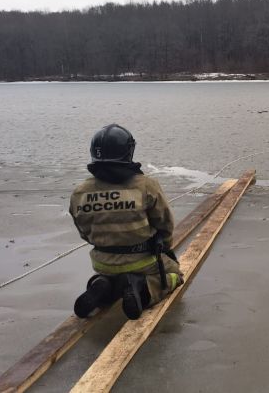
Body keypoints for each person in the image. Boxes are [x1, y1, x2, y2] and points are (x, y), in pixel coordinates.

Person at [69, 124, 184, 320]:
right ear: (128, 152)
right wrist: (164, 248)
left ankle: (102, 286)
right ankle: (142, 290)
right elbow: (165, 225)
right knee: (175, 276)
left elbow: (84, 232)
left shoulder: (80, 191)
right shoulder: (146, 185)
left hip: (102, 261)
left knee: (115, 276)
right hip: (142, 260)